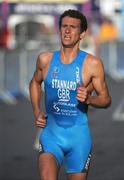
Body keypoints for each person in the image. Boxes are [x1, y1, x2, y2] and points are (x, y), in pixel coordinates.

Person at [29, 9, 111, 180]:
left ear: (82, 34)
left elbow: (106, 99)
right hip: (51, 135)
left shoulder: (92, 64)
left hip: (78, 139)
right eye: (64, 26)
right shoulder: (45, 60)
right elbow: (35, 82)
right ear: (59, 30)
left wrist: (89, 99)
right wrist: (36, 111)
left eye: (73, 27)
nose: (67, 30)